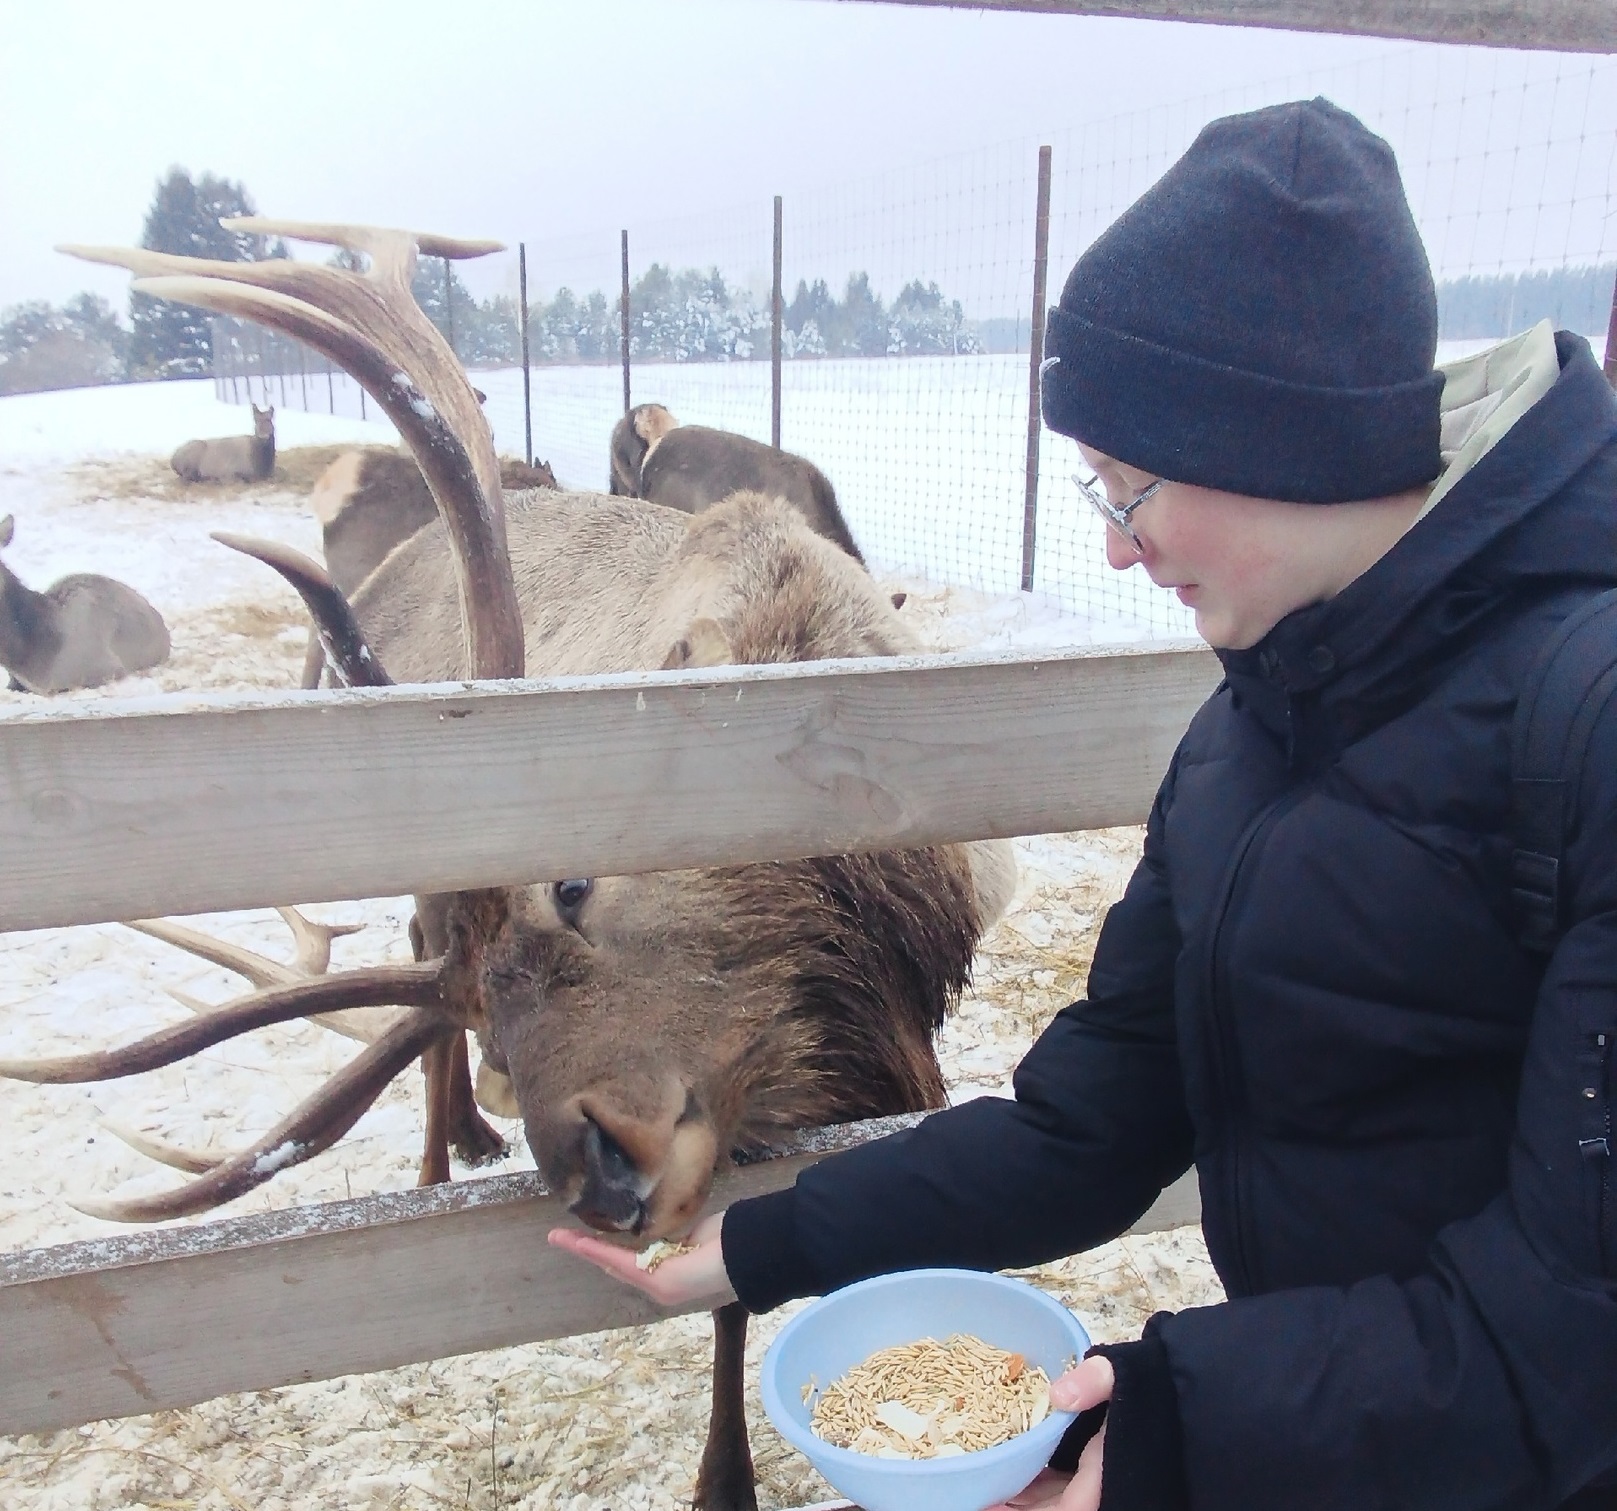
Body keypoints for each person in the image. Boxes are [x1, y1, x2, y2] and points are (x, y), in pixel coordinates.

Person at [551, 97, 1617, 1509]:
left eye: (1131, 490)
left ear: (1273, 441)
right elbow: (1098, 1120)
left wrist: (1180, 1426)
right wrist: (763, 1249)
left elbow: (1572, 1325)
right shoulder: (1251, 728)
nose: (1114, 550)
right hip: (1350, 1438)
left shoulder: (1585, 724)